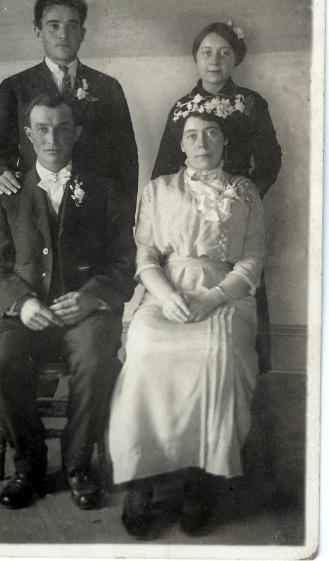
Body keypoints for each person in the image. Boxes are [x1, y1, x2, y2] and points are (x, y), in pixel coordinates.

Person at [108, 95, 265, 539]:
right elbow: (146, 257)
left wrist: (212, 298)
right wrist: (165, 295)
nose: (202, 143)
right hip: (167, 292)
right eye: (192, 135)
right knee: (145, 350)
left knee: (218, 354)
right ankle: (140, 477)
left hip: (225, 295)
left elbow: (251, 263)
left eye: (211, 133)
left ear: (226, 140)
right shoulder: (158, 190)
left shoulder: (246, 191)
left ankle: (200, 477)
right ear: (181, 144)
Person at [0, 93, 136, 510]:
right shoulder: (7, 194)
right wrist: (22, 303)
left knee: (98, 360)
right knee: (1, 365)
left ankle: (78, 464)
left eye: (62, 128)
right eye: (42, 129)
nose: (52, 138)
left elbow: (123, 263)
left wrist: (92, 298)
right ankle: (29, 463)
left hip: (83, 315)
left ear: (76, 132)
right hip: (22, 315)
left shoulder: (105, 191)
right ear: (28, 135)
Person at [152, 21, 281, 372]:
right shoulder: (181, 108)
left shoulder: (251, 103)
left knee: (244, 279)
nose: (215, 61)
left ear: (235, 59)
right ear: (195, 58)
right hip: (189, 215)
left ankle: (249, 374)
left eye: (224, 53)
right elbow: (163, 169)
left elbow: (270, 160)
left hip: (235, 208)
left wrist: (241, 197)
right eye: (206, 53)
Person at [0, 0, 138, 222]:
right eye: (53, 26)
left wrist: (123, 217)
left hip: (94, 209)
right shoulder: (15, 87)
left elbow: (126, 159)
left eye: (72, 26)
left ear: (82, 34)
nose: (63, 34)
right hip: (36, 208)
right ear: (38, 31)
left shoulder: (108, 87)